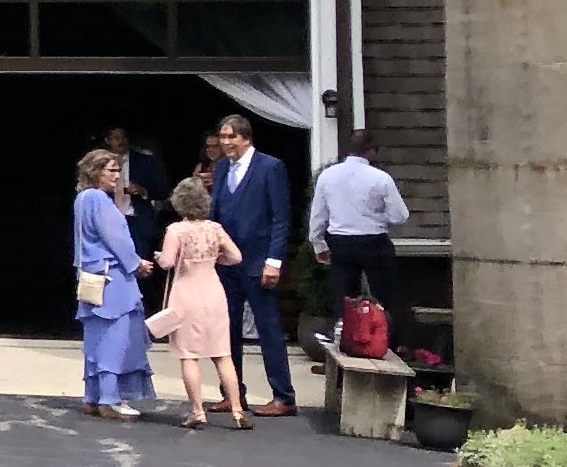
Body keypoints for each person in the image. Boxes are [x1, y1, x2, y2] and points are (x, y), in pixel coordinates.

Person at [206, 112, 299, 414]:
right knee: (226, 330)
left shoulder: (270, 167)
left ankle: (283, 396)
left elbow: (280, 217)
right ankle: (233, 393)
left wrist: (274, 260)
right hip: (225, 264)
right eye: (222, 136)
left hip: (259, 261)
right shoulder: (220, 169)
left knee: (268, 329)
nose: (226, 142)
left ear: (246, 138)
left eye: (231, 136)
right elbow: (215, 214)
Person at [151, 173, 253, 429]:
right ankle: (238, 411)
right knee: (222, 354)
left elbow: (167, 262)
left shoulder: (176, 230)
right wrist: (217, 260)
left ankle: (197, 410)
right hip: (213, 291)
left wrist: (158, 256)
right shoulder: (215, 228)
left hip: (186, 292)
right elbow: (237, 257)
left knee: (189, 355)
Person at [71, 146, 159, 417]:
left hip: (92, 276)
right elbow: (115, 238)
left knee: (97, 338)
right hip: (112, 278)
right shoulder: (97, 199)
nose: (118, 175)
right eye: (112, 170)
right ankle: (109, 398)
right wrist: (136, 263)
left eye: (118, 169)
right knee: (115, 336)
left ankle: (94, 396)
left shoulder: (83, 198)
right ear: (96, 172)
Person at [309, 130, 414, 355]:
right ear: (371, 151)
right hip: (373, 240)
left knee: (344, 296)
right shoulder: (380, 178)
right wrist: (378, 219)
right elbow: (400, 215)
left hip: (341, 241)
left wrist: (318, 243)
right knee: (383, 294)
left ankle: (344, 340)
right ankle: (386, 341)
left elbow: (318, 214)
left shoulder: (328, 176)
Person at [103, 121, 170, 263]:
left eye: (123, 137)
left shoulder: (145, 161)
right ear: (108, 141)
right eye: (116, 138)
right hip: (110, 221)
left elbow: (162, 190)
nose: (121, 141)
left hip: (137, 222)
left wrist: (143, 191)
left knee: (141, 265)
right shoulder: (100, 163)